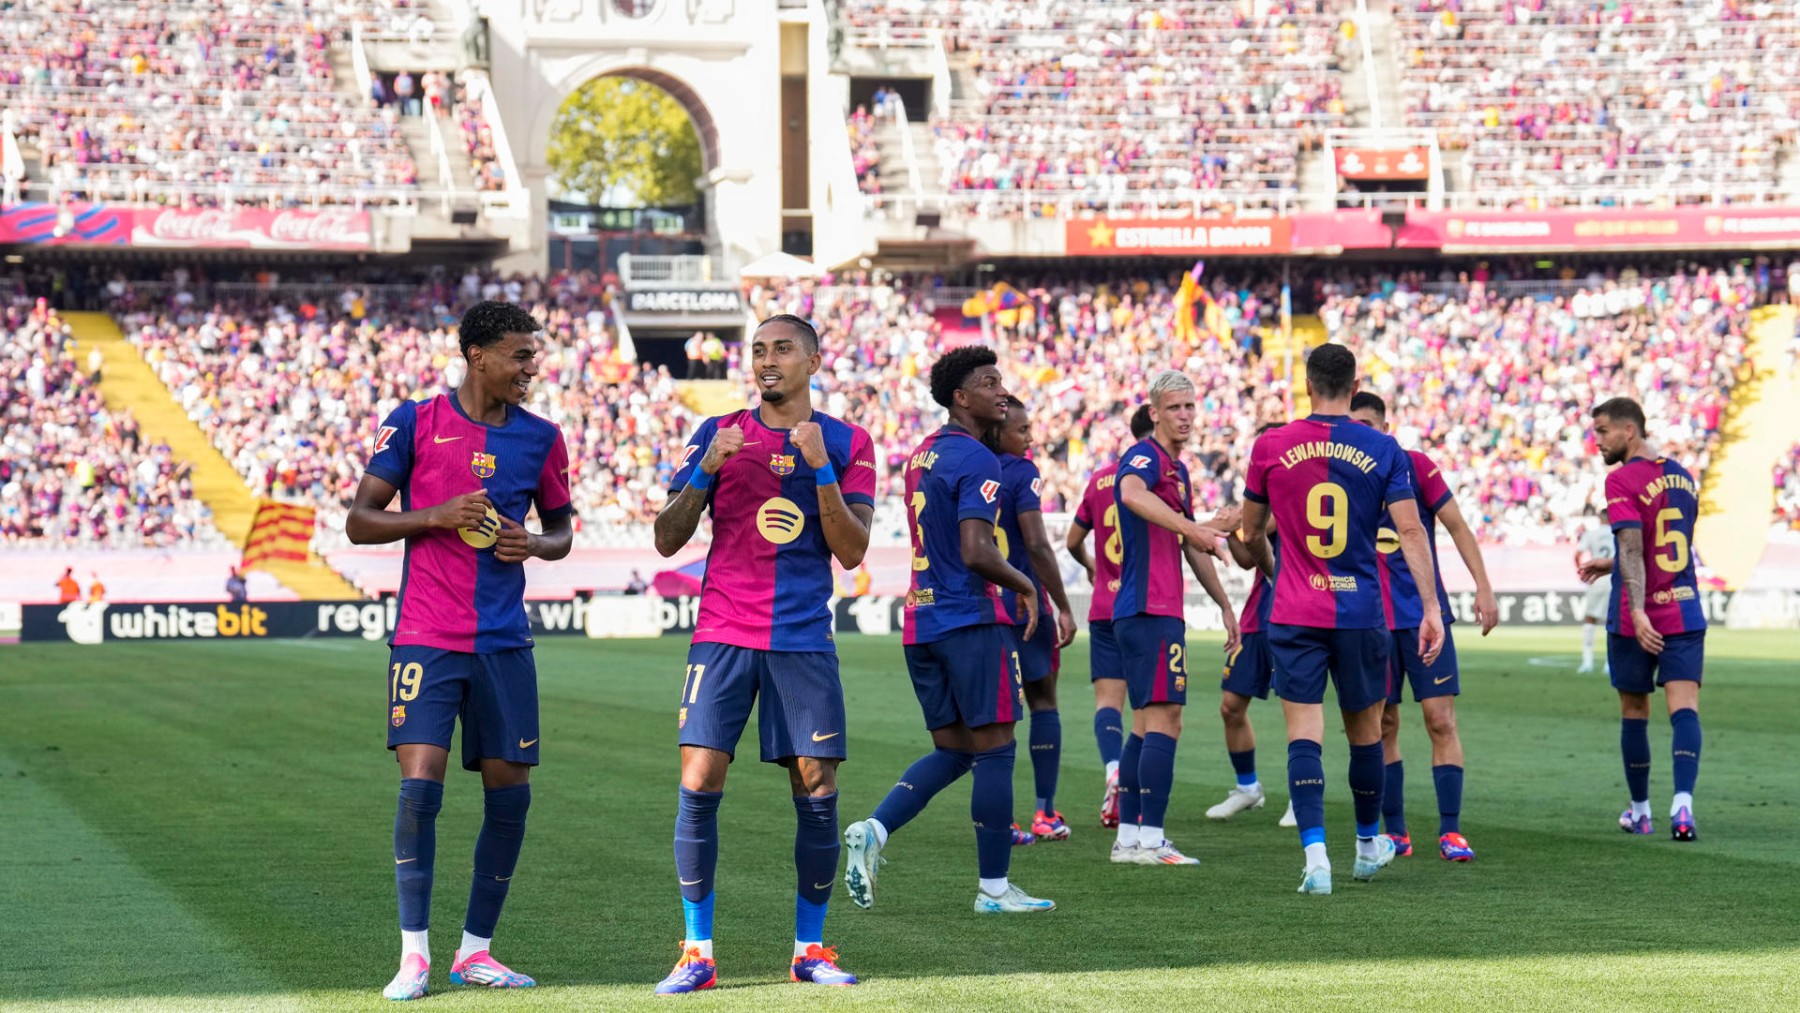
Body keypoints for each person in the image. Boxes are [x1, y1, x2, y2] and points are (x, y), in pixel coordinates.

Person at [346, 301, 575, 1001]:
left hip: (504, 642)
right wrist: (434, 517)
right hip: (427, 636)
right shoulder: (416, 421)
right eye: (519, 355)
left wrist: (531, 543)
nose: (531, 368)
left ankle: (475, 951)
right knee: (421, 786)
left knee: (511, 794)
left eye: (533, 356)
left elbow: (562, 533)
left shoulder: (543, 439)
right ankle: (413, 955)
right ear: (479, 355)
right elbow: (359, 519)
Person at [648, 314, 875, 993]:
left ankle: (810, 947)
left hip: (802, 638)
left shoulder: (846, 440)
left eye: (781, 349)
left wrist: (820, 468)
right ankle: (696, 951)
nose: (766, 360)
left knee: (817, 786)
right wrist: (706, 472)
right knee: (698, 782)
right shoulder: (716, 435)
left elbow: (853, 549)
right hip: (721, 632)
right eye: (758, 351)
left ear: (812, 358)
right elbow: (666, 537)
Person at [841, 346, 1054, 915]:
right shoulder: (979, 460)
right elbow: (976, 549)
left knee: (954, 749)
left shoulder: (922, 454)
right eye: (990, 383)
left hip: (922, 621)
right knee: (997, 750)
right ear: (962, 397)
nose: (1002, 391)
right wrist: (1027, 586)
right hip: (970, 619)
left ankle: (875, 830)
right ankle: (994, 890)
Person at [1238, 344, 1444, 895]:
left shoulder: (1270, 445)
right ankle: (1366, 843)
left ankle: (1315, 856)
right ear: (1355, 390)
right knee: (1365, 734)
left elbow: (1251, 534)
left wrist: (1271, 567)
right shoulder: (1383, 447)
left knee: (1303, 733)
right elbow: (1412, 531)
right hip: (1360, 611)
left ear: (1307, 386)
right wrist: (1429, 608)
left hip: (1294, 610)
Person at [1348, 392, 1500, 863]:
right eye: (1356, 424)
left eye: (1371, 424)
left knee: (1441, 719)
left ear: (1386, 425)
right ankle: (1396, 832)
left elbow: (1457, 526)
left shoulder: (1415, 465)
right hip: (1371, 621)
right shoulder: (1341, 470)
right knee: (1383, 723)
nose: (1364, 433)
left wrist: (1483, 587)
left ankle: (1451, 831)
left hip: (1424, 616)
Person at [1109, 370, 1239, 867]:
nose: (1185, 415)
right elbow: (1131, 494)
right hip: (1148, 608)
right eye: (1176, 407)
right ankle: (1153, 840)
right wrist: (1197, 526)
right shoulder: (1145, 457)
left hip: (1152, 608)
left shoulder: (1177, 471)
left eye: (1190, 407)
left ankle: (1128, 838)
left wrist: (1225, 604)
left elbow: (1189, 544)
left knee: (1144, 725)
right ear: (1155, 412)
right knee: (1168, 721)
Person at [1578, 397, 1706, 842]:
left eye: (1602, 431)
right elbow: (1668, 546)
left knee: (1635, 710)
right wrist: (1611, 565)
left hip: (1640, 618)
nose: (1597, 441)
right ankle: (1684, 807)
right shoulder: (1685, 477)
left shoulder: (1621, 480)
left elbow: (1634, 547)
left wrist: (1636, 609)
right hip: (1685, 607)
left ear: (1628, 431)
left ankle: (1641, 812)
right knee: (1685, 708)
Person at [982, 396, 1079, 842]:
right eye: (1022, 430)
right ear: (999, 429)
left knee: (994, 716)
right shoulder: (1022, 473)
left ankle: (1001, 821)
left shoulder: (969, 466)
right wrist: (1062, 603)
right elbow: (1038, 545)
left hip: (981, 605)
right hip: (1024, 605)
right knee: (1043, 700)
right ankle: (1045, 812)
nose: (1030, 438)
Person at [1066, 405, 1154, 828]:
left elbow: (1071, 539)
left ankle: (1112, 770)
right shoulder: (1157, 473)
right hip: (1143, 604)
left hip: (1103, 605)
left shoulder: (1102, 478)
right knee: (1148, 709)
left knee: (1107, 702)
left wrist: (1090, 566)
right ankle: (1138, 801)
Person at [1208, 423, 1294, 827]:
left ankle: (1302, 794)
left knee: (1297, 707)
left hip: (1295, 609)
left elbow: (1257, 529)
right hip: (1259, 610)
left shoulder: (1291, 492)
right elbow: (1247, 556)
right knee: (1231, 706)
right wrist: (1231, 529)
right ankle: (1248, 789)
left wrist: (1230, 525)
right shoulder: (1257, 497)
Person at [1574, 514, 1614, 674]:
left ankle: (1587, 663)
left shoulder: (1591, 534)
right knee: (1612, 621)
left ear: (1600, 518)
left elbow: (1577, 554)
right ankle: (1610, 664)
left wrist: (1581, 572)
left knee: (1590, 619)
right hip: (1615, 577)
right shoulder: (1618, 532)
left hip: (1596, 578)